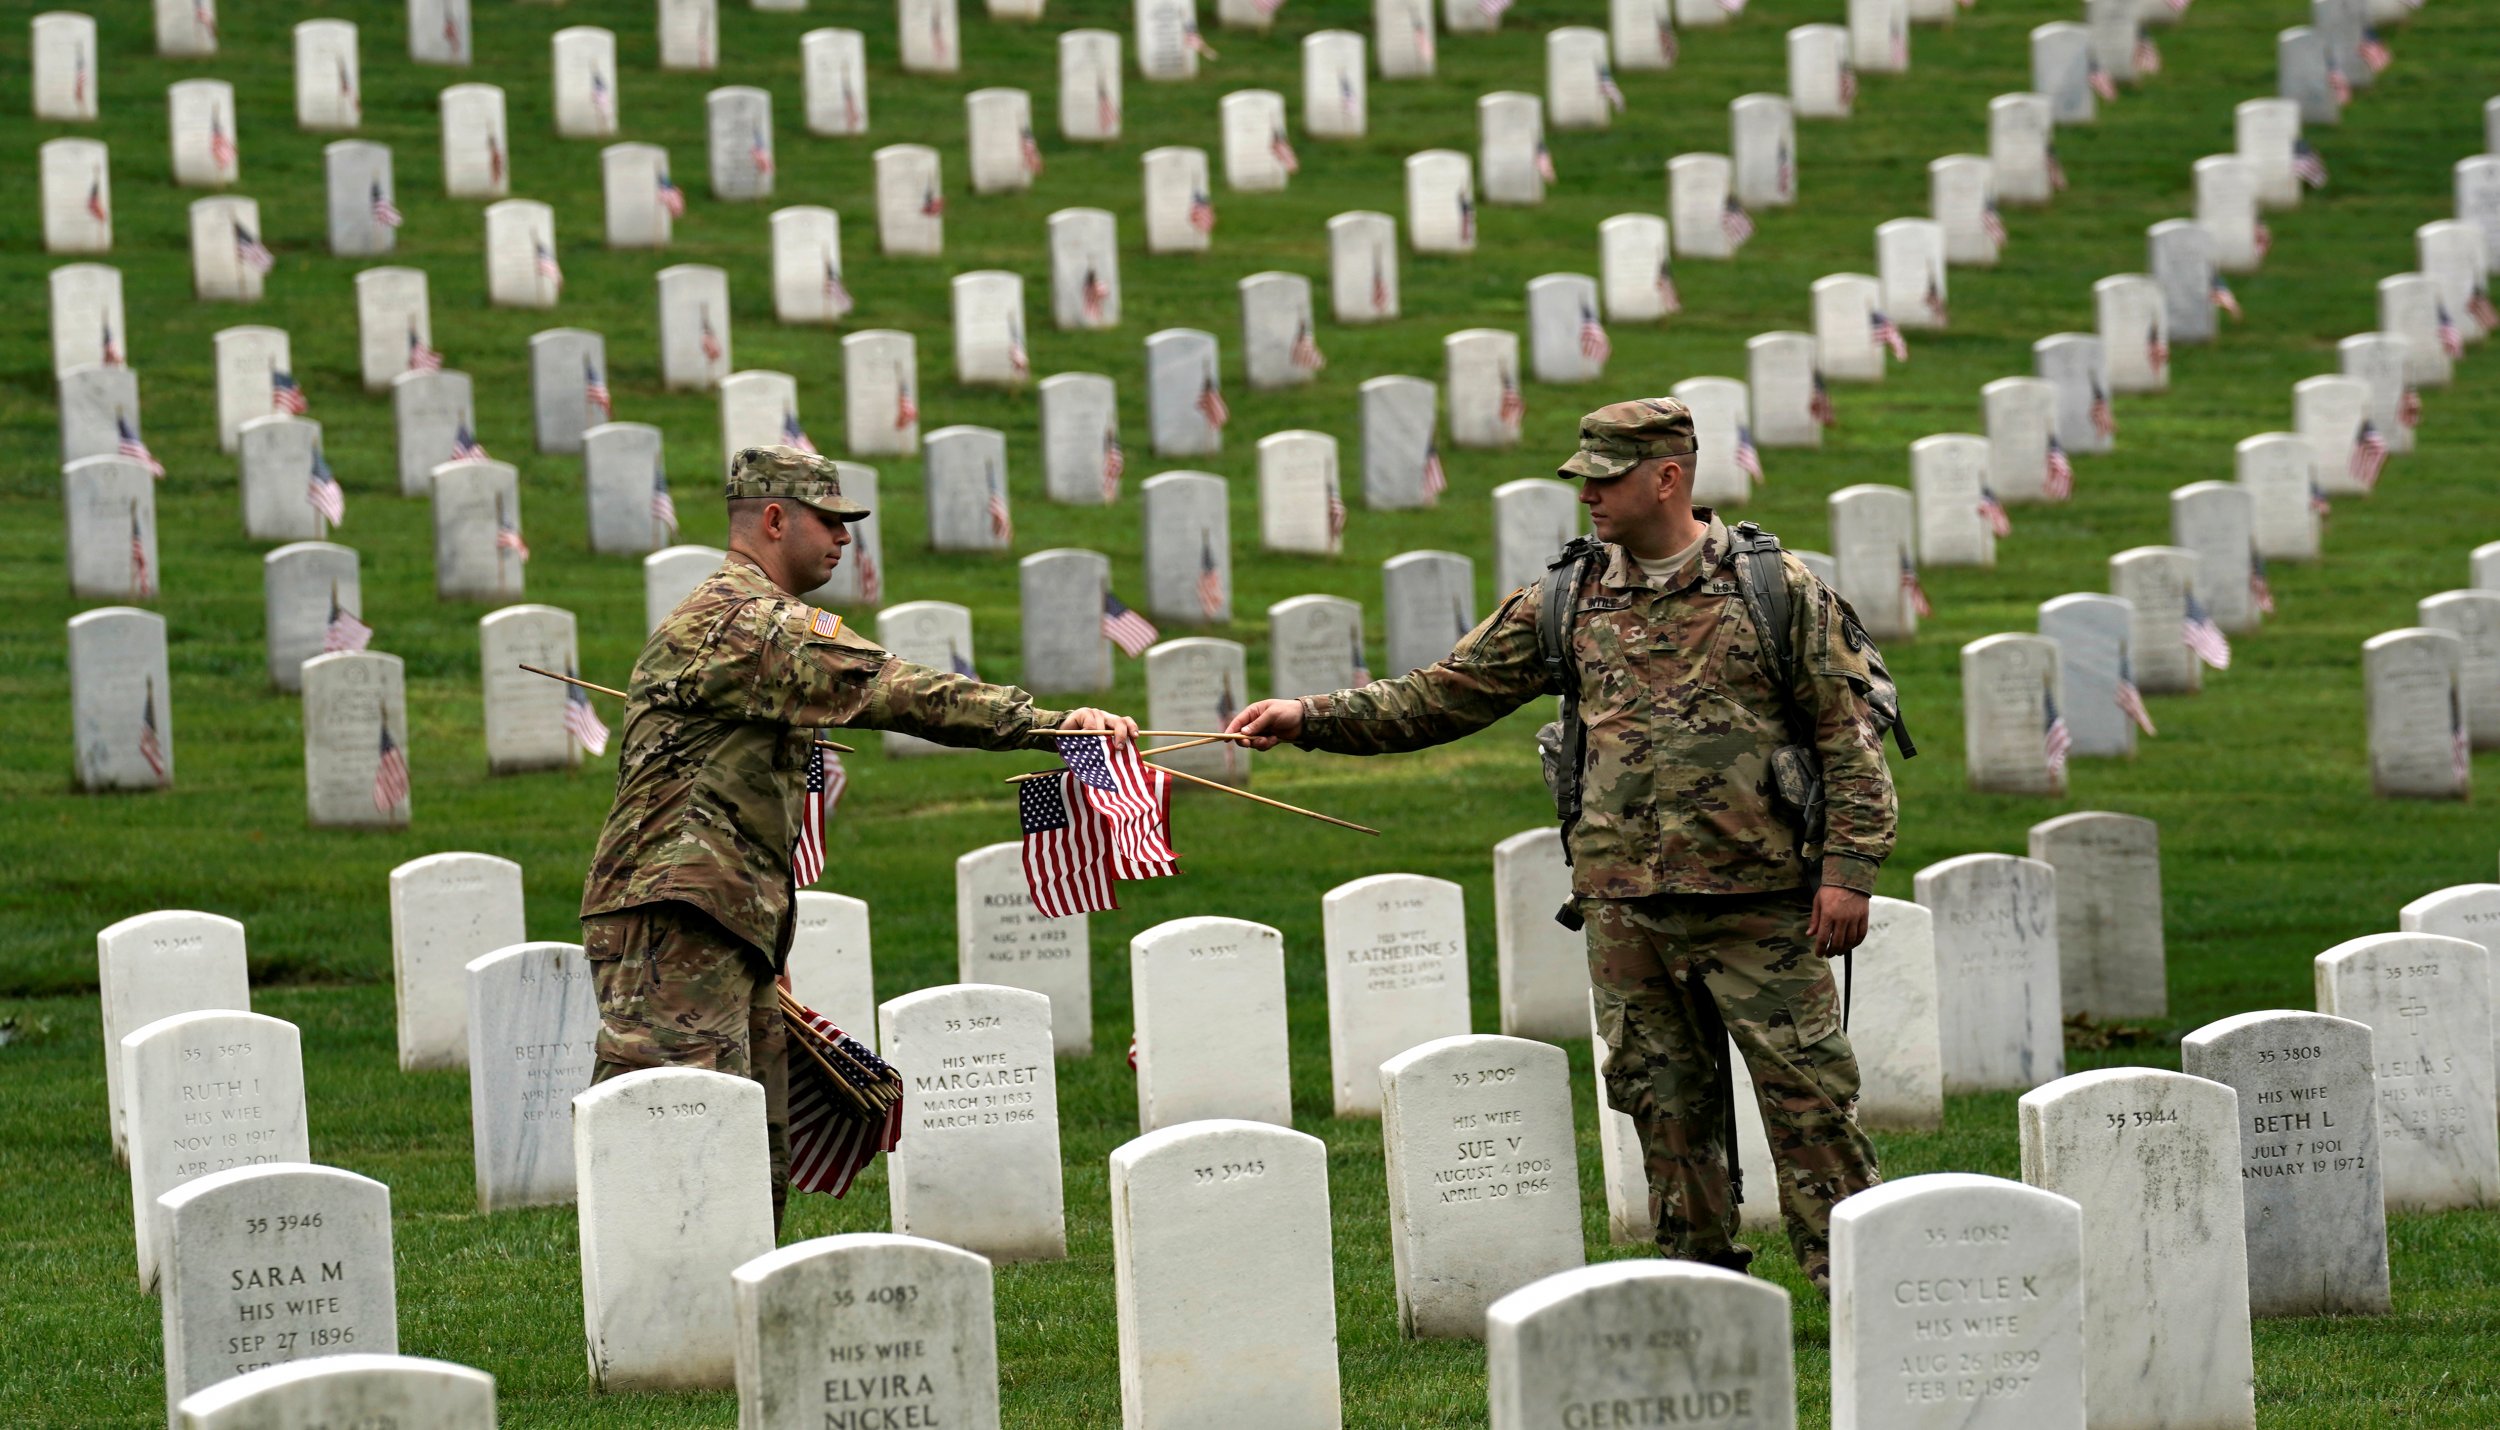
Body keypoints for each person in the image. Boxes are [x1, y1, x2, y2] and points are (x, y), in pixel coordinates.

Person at [1225, 400, 1899, 1291]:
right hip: (1625, 907)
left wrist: (1848, 874)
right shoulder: (1570, 596)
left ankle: (1858, 1290)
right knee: (1664, 1106)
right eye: (1582, 476)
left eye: (1605, 475)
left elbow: (1847, 739)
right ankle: (1698, 1294)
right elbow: (1444, 694)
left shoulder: (1776, 592)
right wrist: (1310, 718)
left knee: (1811, 1104)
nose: (1587, 493)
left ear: (1668, 476)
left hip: (1760, 901)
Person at [579, 446, 1137, 1228]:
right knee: (682, 1157)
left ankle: (729, 1338)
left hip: (720, 919)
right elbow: (897, 689)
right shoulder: (747, 623)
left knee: (745, 1159)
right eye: (829, 522)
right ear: (774, 520)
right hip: (674, 920)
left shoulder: (748, 623)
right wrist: (1053, 727)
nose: (845, 540)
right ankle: (666, 1344)